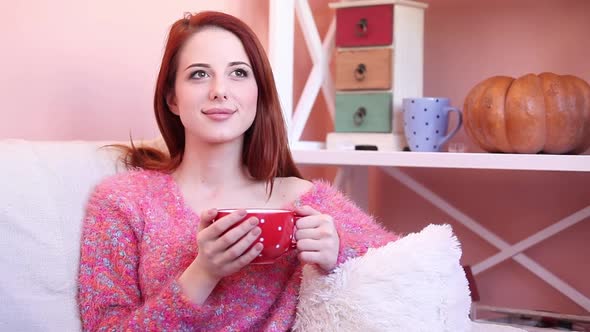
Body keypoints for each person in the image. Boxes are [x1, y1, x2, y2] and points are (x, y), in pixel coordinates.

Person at [77, 11, 398, 331]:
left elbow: (411, 270)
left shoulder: (305, 201)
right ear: (172, 98)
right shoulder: (123, 202)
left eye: (239, 73)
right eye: (199, 74)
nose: (220, 90)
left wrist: (338, 257)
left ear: (258, 93)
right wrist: (203, 272)